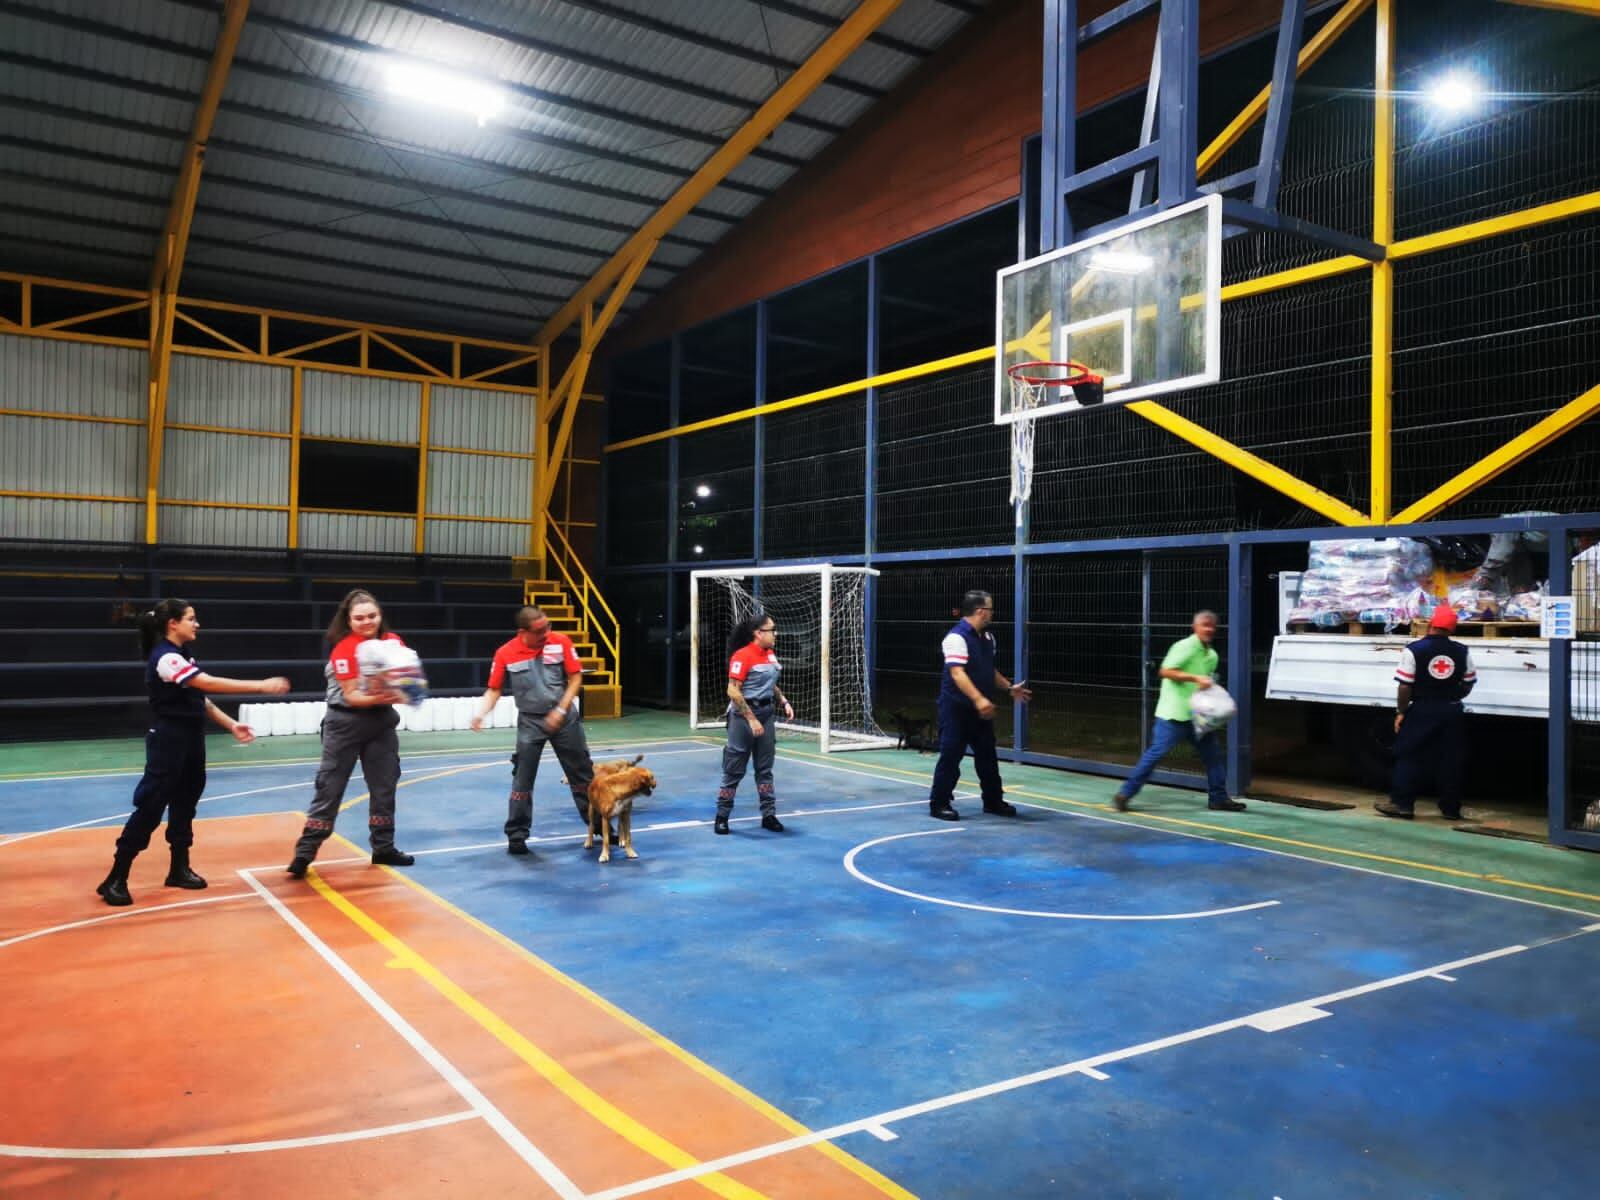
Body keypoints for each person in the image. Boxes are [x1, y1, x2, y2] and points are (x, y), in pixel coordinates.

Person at [96, 599, 289, 906]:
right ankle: (115, 878)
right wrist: (261, 685)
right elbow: (206, 683)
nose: (197, 624)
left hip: (191, 739)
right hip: (168, 741)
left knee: (185, 804)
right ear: (173, 624)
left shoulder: (184, 655)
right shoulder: (165, 658)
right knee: (151, 806)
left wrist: (231, 724)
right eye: (191, 618)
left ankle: (179, 868)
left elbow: (200, 698)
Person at [286, 590, 415, 877]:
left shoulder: (394, 643)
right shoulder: (344, 650)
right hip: (344, 724)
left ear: (380, 615)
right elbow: (353, 696)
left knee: (384, 786)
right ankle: (304, 854)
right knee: (329, 788)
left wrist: (407, 688)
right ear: (349, 620)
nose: (367, 622)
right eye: (359, 618)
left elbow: (407, 680)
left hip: (381, 723)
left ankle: (383, 848)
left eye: (372, 616)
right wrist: (393, 695)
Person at [471, 605, 594, 855]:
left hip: (565, 719)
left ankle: (600, 827)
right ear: (523, 632)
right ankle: (516, 835)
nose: (546, 633)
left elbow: (575, 678)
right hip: (530, 722)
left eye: (548, 627)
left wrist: (560, 710)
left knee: (583, 776)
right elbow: (494, 689)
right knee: (522, 781)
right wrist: (481, 713)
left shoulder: (561, 642)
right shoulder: (505, 653)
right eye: (539, 631)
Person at [1112, 610, 1246, 814]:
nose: (1209, 629)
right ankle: (1124, 795)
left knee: (1213, 756)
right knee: (1155, 755)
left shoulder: (1212, 656)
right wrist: (1195, 678)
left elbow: (1204, 684)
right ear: (1195, 627)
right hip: (1173, 714)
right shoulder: (1184, 646)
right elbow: (1165, 671)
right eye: (1205, 625)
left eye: (1212, 626)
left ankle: (1218, 799)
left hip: (1198, 717)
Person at [929, 590, 1031, 821]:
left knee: (987, 757)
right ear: (981, 611)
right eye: (990, 609)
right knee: (950, 757)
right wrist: (979, 699)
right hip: (956, 710)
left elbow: (988, 670)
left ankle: (993, 801)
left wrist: (1009, 687)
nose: (993, 613)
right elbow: (957, 673)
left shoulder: (988, 639)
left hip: (979, 713)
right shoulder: (956, 638)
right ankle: (939, 803)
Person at [1377, 605, 1474, 820]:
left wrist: (1401, 711)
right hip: (1452, 709)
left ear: (1431, 624)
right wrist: (1453, 697)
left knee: (1409, 754)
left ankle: (1403, 804)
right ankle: (1450, 809)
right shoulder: (1462, 651)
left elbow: (1405, 685)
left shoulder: (1414, 649)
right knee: (1450, 758)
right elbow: (1468, 683)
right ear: (1452, 629)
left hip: (1423, 708)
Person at [716, 612, 794, 834]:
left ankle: (768, 815)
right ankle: (722, 816)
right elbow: (733, 691)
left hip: (766, 714)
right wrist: (751, 719)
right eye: (772, 630)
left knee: (765, 768)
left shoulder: (770, 654)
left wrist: (783, 701)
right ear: (758, 633)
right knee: (734, 768)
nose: (775, 634)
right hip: (743, 717)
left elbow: (770, 683)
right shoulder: (742, 656)